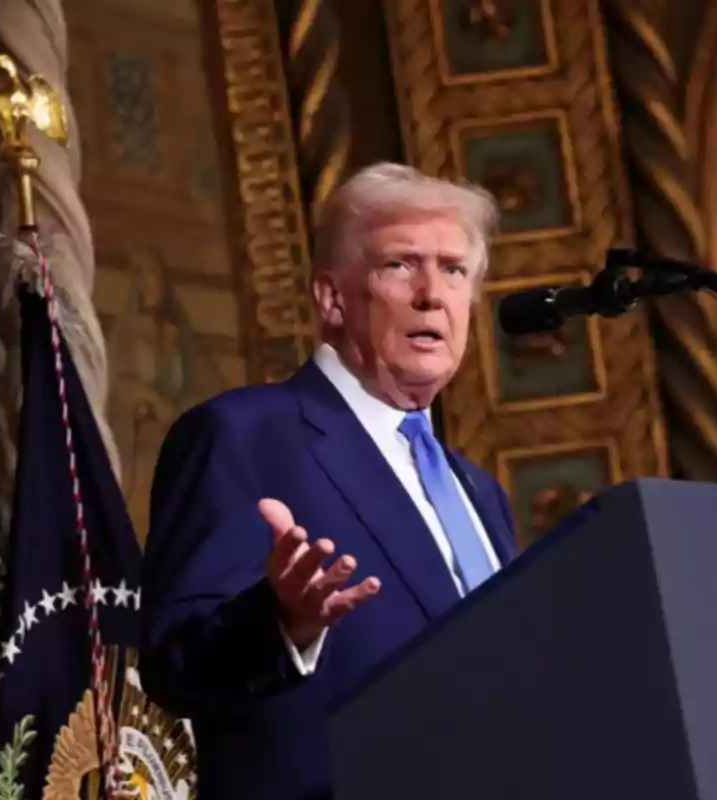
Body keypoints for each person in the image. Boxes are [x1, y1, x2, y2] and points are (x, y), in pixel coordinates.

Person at [139, 163, 519, 799]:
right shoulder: (245, 436)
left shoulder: (478, 491)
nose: (432, 294)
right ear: (332, 299)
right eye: (401, 265)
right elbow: (174, 664)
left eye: (454, 270)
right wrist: (283, 623)